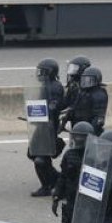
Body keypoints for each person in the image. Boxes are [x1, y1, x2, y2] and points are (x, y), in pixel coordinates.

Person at [53, 121, 96, 223]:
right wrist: (56, 195)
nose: (76, 140)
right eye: (75, 137)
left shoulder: (96, 156)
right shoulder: (69, 155)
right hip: (71, 202)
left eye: (80, 138)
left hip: (89, 204)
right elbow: (63, 177)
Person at [28, 58, 65, 197]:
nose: (39, 74)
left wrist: (48, 110)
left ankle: (47, 185)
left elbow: (54, 106)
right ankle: (55, 178)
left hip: (48, 127)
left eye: (42, 71)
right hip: (41, 125)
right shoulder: (45, 85)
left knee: (40, 158)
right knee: (32, 154)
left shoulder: (54, 86)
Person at [61, 66, 107, 134]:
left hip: (89, 130)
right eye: (84, 79)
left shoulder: (99, 95)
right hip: (79, 127)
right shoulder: (82, 92)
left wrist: (90, 131)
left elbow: (98, 117)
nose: (86, 82)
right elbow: (75, 108)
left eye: (89, 80)